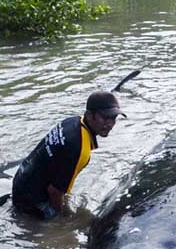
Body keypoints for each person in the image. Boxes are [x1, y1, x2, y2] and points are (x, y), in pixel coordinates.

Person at [12, 90, 125, 220]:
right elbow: (54, 192)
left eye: (114, 118)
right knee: (75, 224)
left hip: (21, 179)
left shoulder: (73, 122)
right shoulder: (77, 147)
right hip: (31, 200)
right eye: (105, 117)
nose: (110, 124)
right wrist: (66, 217)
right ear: (89, 115)